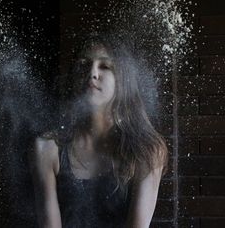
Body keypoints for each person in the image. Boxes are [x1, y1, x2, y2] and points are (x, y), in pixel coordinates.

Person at [30, 32, 168, 228]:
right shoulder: (47, 148)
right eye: (84, 65)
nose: (92, 73)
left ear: (122, 80)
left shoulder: (147, 150)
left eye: (105, 66)